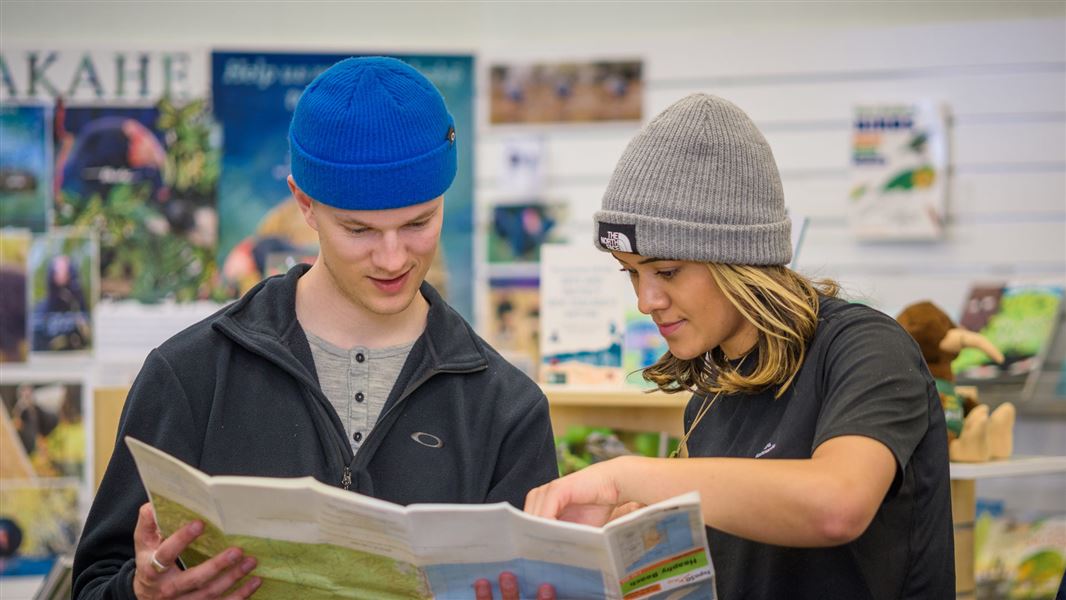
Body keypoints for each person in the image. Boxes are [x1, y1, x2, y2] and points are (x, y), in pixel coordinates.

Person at [73, 57, 559, 600]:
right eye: (360, 230)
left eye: (419, 222)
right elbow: (92, 584)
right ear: (304, 203)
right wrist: (141, 594)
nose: (394, 257)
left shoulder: (509, 409)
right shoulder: (188, 376)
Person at [524, 94, 955, 599]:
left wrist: (630, 478)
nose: (646, 300)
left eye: (666, 271)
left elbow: (838, 505)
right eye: (632, 274)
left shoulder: (866, 348)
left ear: (739, 259)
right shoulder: (711, 398)